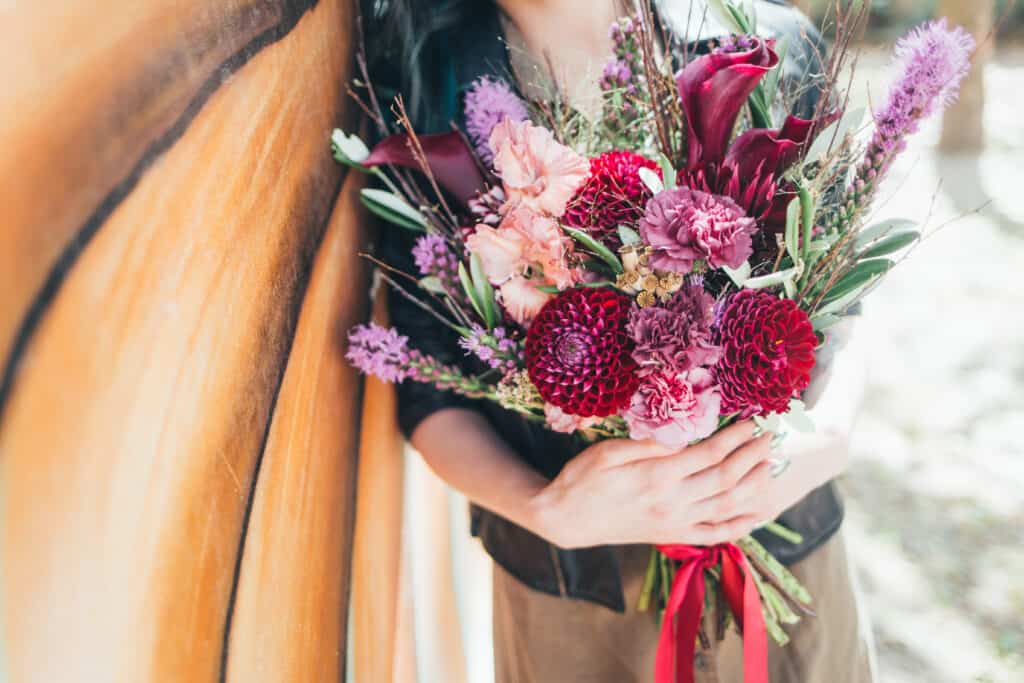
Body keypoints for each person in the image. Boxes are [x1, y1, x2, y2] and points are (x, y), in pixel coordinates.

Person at [364, 1, 877, 680]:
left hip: (786, 553)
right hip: (571, 594)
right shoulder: (423, 90)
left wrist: (826, 437)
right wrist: (545, 509)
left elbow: (848, 306)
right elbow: (427, 383)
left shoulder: (767, 44)